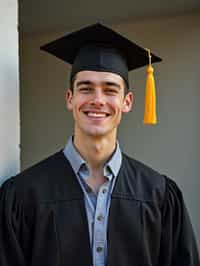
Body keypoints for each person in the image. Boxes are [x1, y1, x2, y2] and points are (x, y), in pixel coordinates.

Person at [0, 23, 199, 266]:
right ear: (70, 99)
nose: (97, 100)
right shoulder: (23, 195)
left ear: (127, 102)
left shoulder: (159, 195)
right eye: (86, 88)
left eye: (110, 90)